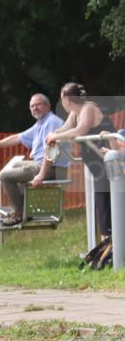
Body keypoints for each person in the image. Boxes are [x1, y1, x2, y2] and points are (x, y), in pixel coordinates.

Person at [0, 93, 68, 226]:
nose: (34, 108)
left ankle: (20, 212)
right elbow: (17, 138)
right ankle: (26, 208)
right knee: (15, 165)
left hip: (52, 167)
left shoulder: (52, 122)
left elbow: (51, 152)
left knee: (4, 176)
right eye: (32, 106)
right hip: (42, 163)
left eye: (38, 104)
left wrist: (41, 174)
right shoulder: (40, 123)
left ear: (47, 106)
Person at [45, 82, 115, 238]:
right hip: (98, 165)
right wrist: (52, 135)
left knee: (105, 201)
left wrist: (55, 136)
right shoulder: (75, 113)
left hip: (109, 161)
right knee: (101, 202)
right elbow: (65, 129)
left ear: (67, 99)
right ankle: (108, 244)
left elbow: (80, 130)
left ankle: (110, 244)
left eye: (61, 99)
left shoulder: (88, 108)